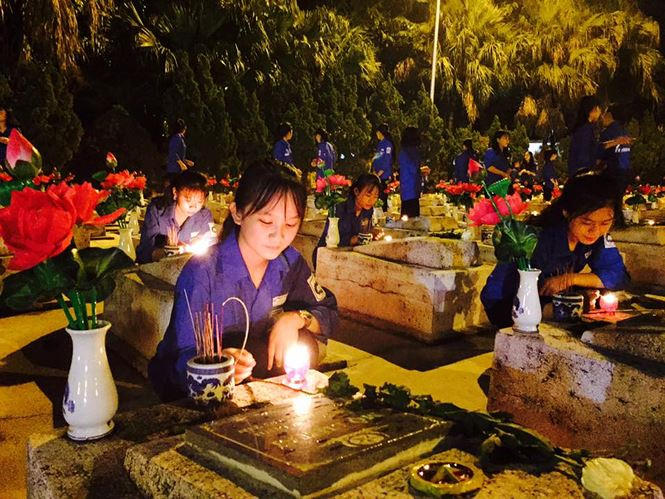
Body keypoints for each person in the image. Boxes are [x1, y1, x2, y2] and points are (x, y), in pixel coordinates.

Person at [148, 159, 338, 401]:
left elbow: (328, 311)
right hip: (191, 391)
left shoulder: (289, 262)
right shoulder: (203, 272)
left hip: (256, 373)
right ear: (237, 213)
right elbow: (180, 355)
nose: (278, 235)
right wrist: (218, 364)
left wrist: (295, 318)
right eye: (266, 221)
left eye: (291, 224)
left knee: (303, 342)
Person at [480, 171, 629, 328]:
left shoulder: (596, 237)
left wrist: (569, 279)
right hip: (509, 305)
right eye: (586, 222)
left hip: (551, 298)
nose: (595, 230)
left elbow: (619, 276)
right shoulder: (538, 238)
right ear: (566, 212)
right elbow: (504, 295)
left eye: (605, 223)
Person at [136, 170, 213, 264]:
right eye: (188, 200)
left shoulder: (204, 215)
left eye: (199, 202)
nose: (194, 206)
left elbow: (211, 248)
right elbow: (144, 251)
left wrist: (188, 249)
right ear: (175, 193)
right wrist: (168, 253)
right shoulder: (158, 211)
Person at [313, 174, 382, 268]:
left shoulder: (368, 211)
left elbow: (364, 233)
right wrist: (354, 239)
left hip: (350, 259)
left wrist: (372, 232)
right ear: (356, 191)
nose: (372, 200)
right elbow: (331, 239)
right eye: (368, 195)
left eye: (375, 197)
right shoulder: (340, 207)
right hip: (327, 256)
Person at [567, 96, 631, 177]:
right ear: (594, 109)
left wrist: (615, 142)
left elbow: (595, 148)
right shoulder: (585, 130)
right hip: (582, 176)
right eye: (599, 109)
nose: (600, 113)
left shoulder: (585, 128)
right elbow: (585, 156)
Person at [598, 106, 632, 190]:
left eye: (603, 114)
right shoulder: (625, 132)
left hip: (611, 175)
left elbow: (599, 157)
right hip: (625, 174)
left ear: (609, 115)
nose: (601, 117)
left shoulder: (606, 134)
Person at [398, 126, 426, 218]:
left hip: (407, 189)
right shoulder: (414, 151)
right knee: (414, 217)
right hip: (413, 189)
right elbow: (414, 168)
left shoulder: (404, 152)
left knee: (407, 218)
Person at [371, 123, 395, 207]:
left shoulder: (388, 144)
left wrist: (380, 173)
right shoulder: (380, 144)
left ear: (380, 132)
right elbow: (378, 156)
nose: (376, 134)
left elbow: (387, 159)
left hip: (383, 175)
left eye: (377, 132)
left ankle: (384, 213)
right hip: (377, 175)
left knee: (383, 197)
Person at [166, 118, 194, 183]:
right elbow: (173, 153)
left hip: (178, 169)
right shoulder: (176, 138)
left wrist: (186, 161)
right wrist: (181, 164)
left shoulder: (180, 138)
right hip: (174, 169)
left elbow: (179, 154)